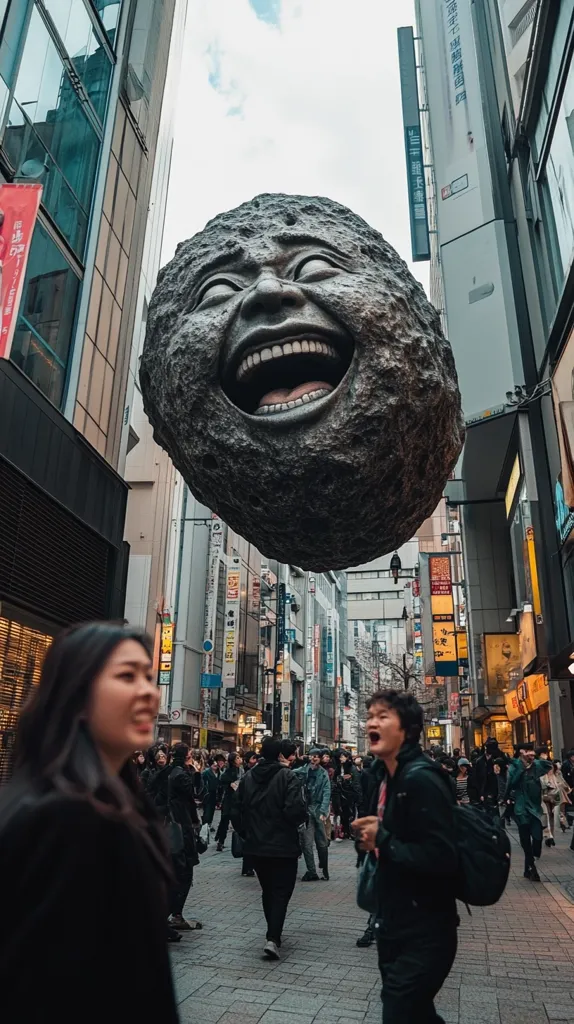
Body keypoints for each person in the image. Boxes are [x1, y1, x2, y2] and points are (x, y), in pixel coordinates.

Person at [0, 622, 178, 1021]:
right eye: (126, 676)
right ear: (76, 693)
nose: (149, 692)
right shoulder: (75, 817)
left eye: (149, 677)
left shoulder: (57, 798)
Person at [354, 689, 458, 1024]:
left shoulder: (421, 779)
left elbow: (441, 857)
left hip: (425, 929)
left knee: (400, 1012)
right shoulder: (385, 776)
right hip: (394, 922)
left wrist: (382, 837)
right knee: (416, 1015)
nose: (373, 722)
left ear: (408, 730)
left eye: (383, 716)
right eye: (370, 716)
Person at [231, 737, 307, 959]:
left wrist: (246, 832)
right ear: (280, 755)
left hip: (256, 845)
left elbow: (235, 810)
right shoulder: (289, 777)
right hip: (283, 845)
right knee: (282, 891)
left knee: (268, 889)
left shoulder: (248, 777)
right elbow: (295, 810)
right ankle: (273, 937)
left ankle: (273, 934)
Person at [166, 743, 203, 931]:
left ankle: (173, 914)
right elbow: (195, 793)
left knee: (177, 872)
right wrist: (195, 772)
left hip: (176, 826)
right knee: (183, 872)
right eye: (190, 754)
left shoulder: (171, 772)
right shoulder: (181, 775)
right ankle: (174, 914)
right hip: (181, 827)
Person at [506, 742, 551, 881]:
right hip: (521, 808)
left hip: (536, 807)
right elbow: (511, 783)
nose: (530, 753)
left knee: (537, 837)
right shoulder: (514, 766)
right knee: (525, 839)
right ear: (520, 752)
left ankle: (529, 865)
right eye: (527, 751)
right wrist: (521, 768)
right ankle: (531, 867)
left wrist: (535, 758)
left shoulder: (537, 765)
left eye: (531, 751)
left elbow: (549, 766)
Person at [293, 748, 331, 881]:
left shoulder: (323, 774)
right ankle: (311, 871)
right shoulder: (304, 770)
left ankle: (324, 869)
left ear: (320, 758)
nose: (314, 758)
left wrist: (323, 811)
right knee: (306, 842)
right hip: (307, 811)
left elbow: (327, 792)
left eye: (316, 756)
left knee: (322, 843)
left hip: (319, 810)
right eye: (312, 756)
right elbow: (291, 773)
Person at [215, 751, 243, 851]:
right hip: (229, 800)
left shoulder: (241, 770)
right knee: (225, 821)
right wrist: (230, 784)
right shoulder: (228, 772)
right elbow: (223, 782)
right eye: (237, 758)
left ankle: (240, 842)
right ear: (233, 761)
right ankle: (221, 841)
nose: (240, 760)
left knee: (237, 821)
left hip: (237, 800)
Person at [332, 749, 361, 839]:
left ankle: (351, 832)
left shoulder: (352, 768)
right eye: (339, 757)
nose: (340, 759)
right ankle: (345, 831)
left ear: (347, 757)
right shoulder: (338, 768)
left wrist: (358, 796)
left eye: (342, 757)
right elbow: (334, 780)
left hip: (350, 795)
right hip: (340, 794)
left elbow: (356, 783)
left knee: (350, 814)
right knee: (343, 814)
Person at [474, 737, 507, 812]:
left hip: (496, 790)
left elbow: (504, 774)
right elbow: (477, 778)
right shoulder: (480, 761)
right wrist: (480, 793)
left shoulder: (499, 757)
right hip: (485, 790)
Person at [202, 754, 225, 830]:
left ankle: (209, 824)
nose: (215, 766)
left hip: (215, 794)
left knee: (212, 811)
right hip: (208, 793)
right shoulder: (206, 773)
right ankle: (205, 826)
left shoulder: (220, 773)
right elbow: (202, 784)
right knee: (207, 811)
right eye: (214, 765)